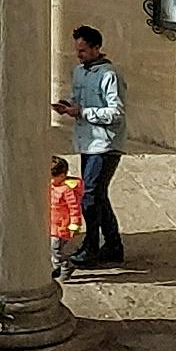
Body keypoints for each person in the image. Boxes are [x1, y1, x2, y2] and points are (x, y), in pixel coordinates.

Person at [61, 24, 128, 271]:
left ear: (96, 48)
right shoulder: (79, 72)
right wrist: (68, 106)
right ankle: (112, 244)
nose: (79, 55)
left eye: (84, 50)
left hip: (106, 143)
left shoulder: (109, 75)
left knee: (89, 196)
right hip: (87, 141)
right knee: (97, 194)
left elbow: (116, 112)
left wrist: (84, 112)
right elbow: (77, 99)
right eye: (77, 51)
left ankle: (91, 245)